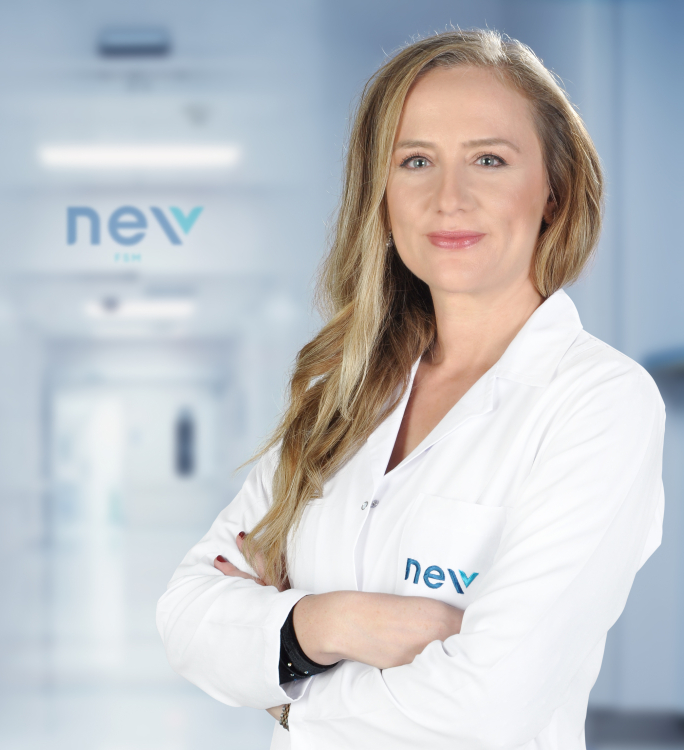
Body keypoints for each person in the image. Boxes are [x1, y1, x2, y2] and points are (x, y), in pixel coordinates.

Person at [156, 29, 665, 750]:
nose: (448, 198)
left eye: (489, 160)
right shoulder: (344, 390)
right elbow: (187, 613)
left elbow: (487, 705)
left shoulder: (599, 403)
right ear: (382, 194)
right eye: (415, 161)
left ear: (555, 190)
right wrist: (330, 623)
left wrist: (291, 692)